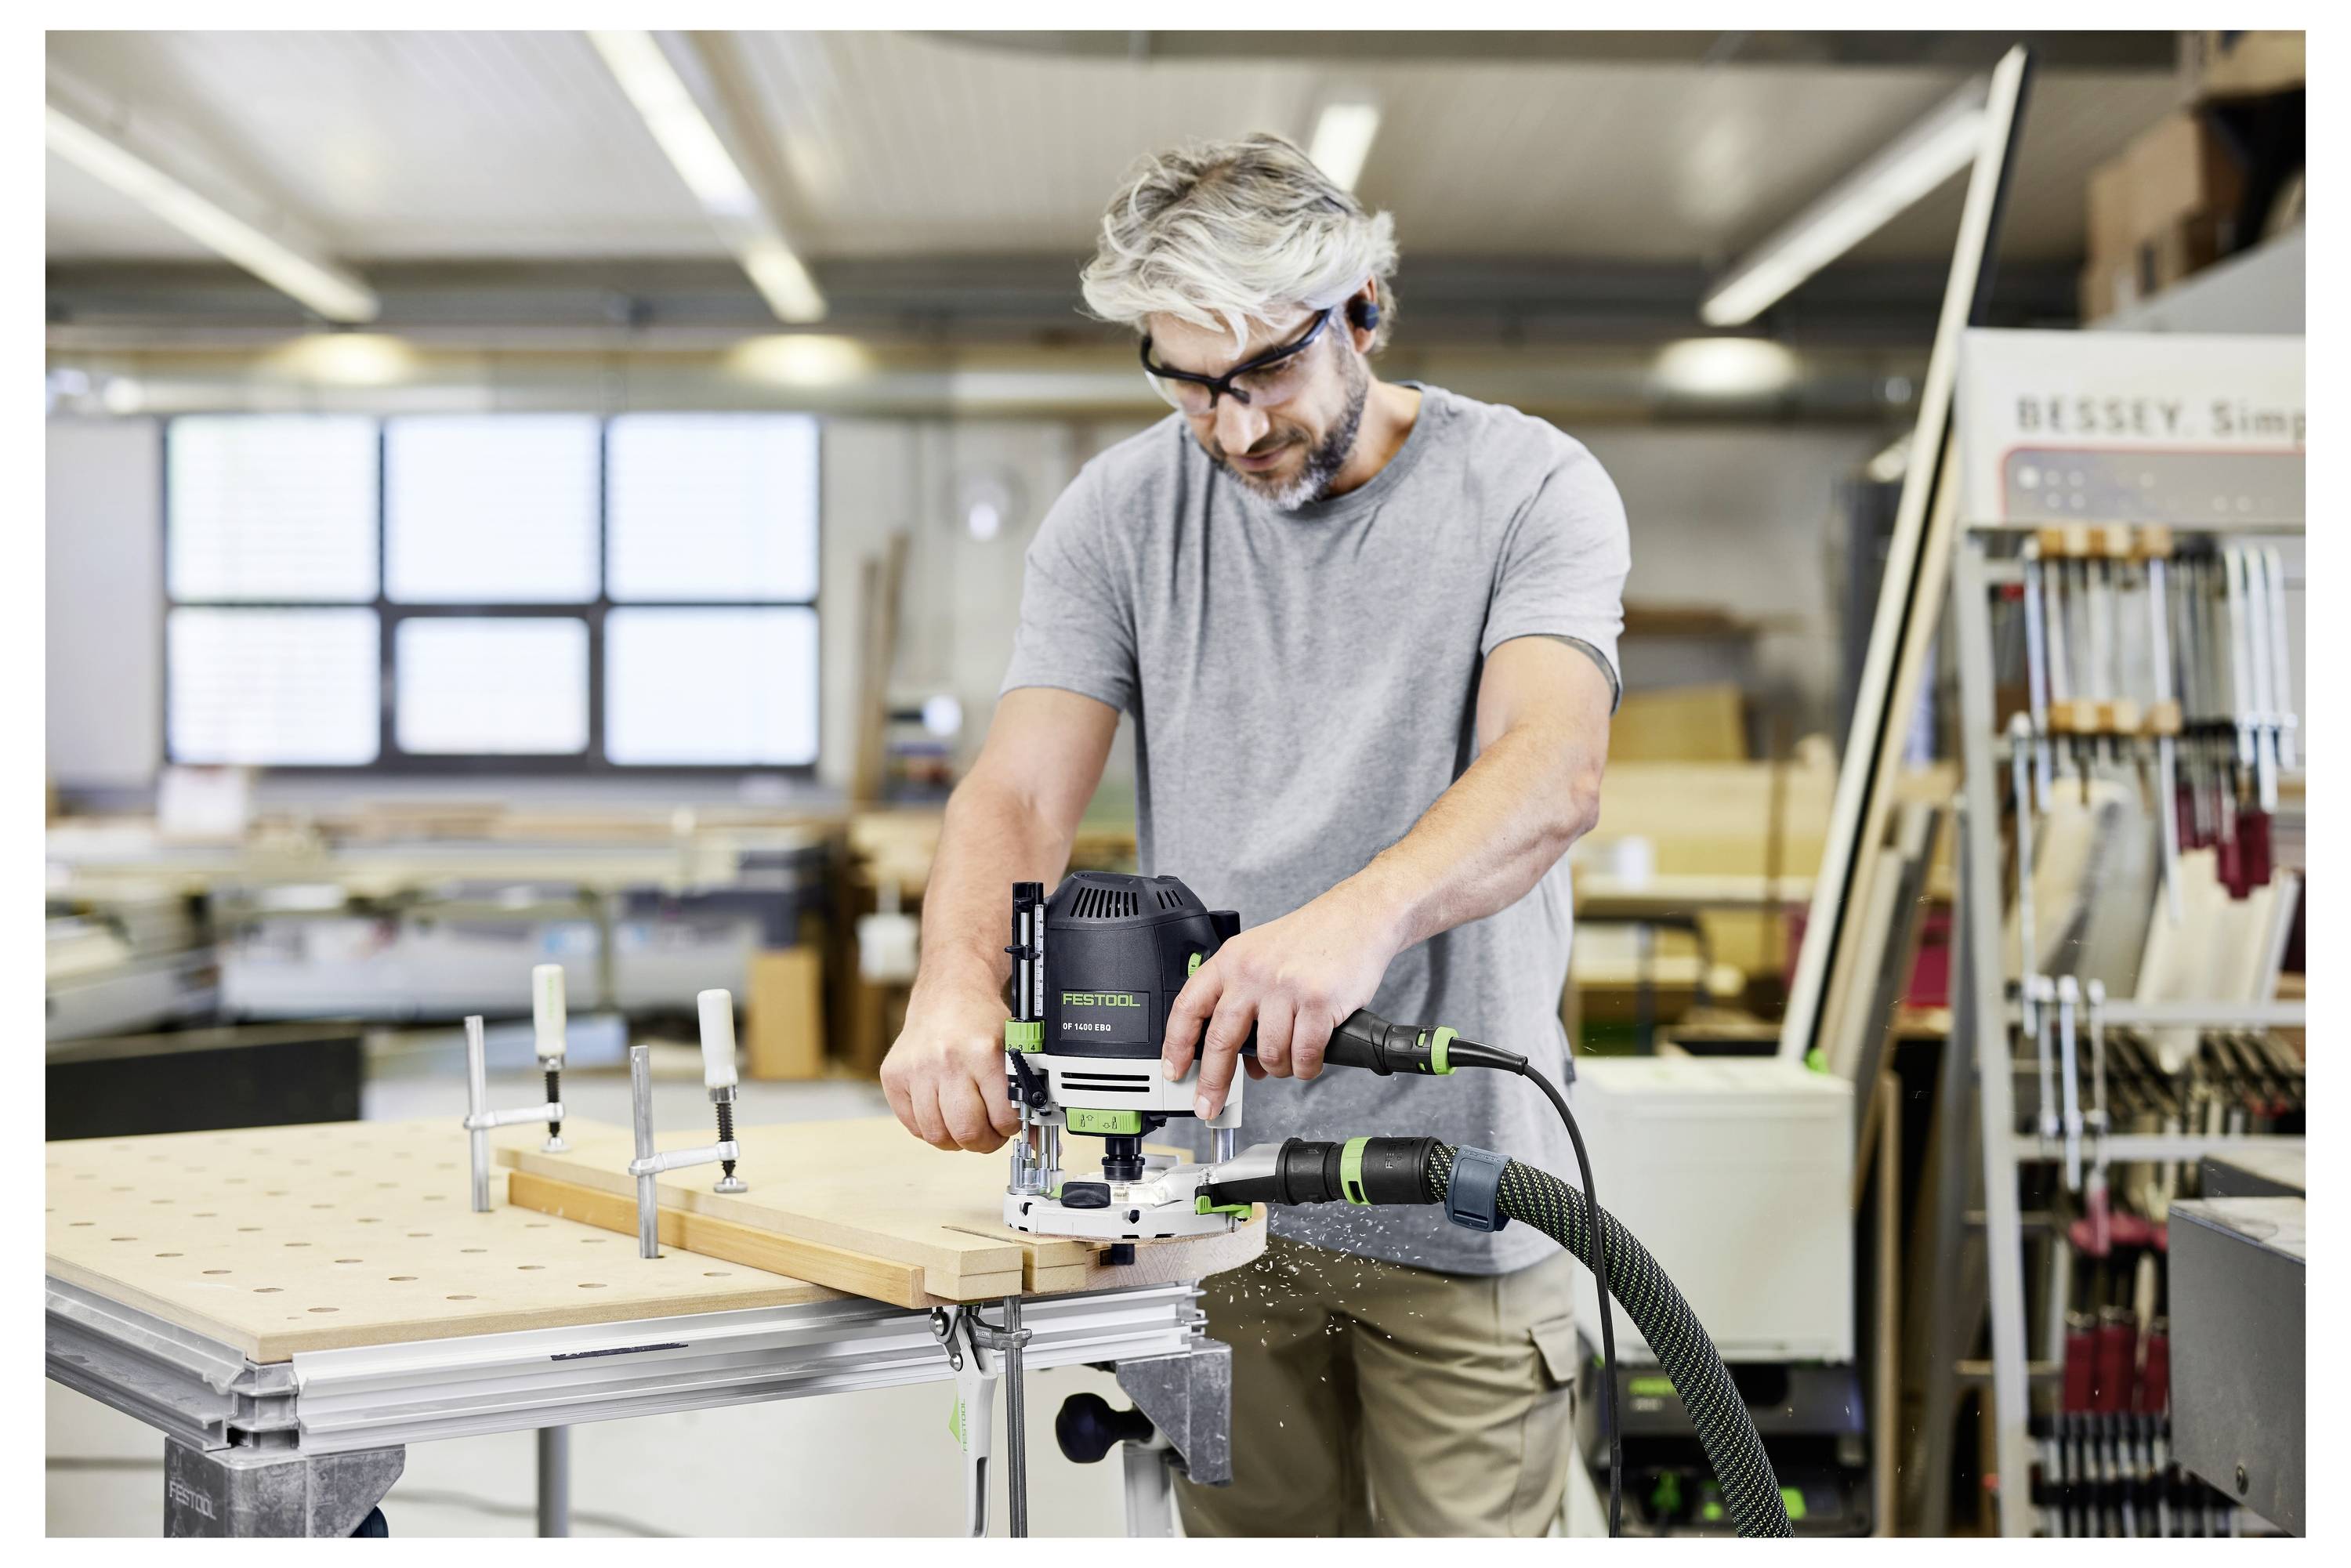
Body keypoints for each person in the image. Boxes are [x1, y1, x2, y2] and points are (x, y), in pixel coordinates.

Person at [880, 132, 1628, 1537]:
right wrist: (957, 979)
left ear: (1364, 313)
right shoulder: (1119, 511)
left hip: (1461, 1196)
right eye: (1187, 382)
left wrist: (1357, 919)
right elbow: (1021, 794)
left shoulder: (1530, 488)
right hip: (1207, 1201)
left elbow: (1550, 772)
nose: (1231, 429)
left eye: (1267, 372)